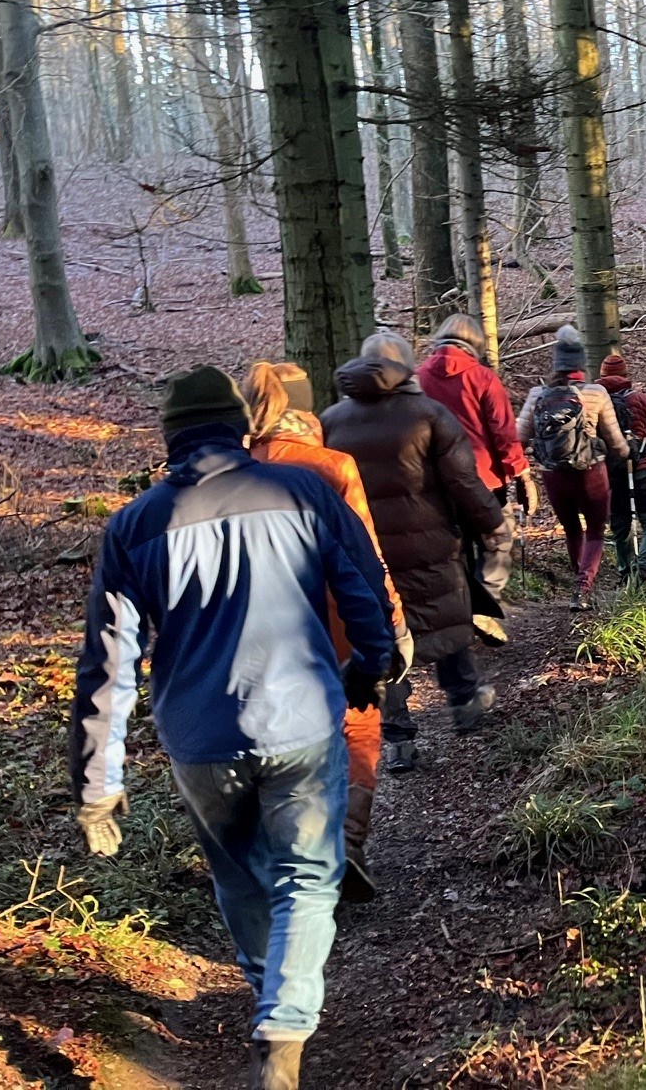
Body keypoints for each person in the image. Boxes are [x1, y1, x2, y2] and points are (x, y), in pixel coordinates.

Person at [71, 366, 396, 1090]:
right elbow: (363, 582)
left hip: (199, 735)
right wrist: (372, 667)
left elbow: (108, 663)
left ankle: (266, 992)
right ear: (240, 428)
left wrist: (99, 782)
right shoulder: (304, 491)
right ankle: (286, 1018)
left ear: (170, 439)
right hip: (304, 720)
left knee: (243, 878)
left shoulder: (133, 525)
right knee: (309, 878)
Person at [242, 361, 413, 905]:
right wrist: (394, 627)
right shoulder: (332, 466)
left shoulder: (226, 468)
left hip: (252, 629)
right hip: (336, 621)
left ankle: (280, 848)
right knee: (355, 723)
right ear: (306, 406)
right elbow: (367, 555)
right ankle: (345, 844)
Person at [322, 331, 506, 774]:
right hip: (431, 541)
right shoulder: (428, 415)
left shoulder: (329, 420)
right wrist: (493, 525)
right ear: (406, 368)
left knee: (384, 632)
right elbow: (463, 482)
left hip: (363, 551)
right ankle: (464, 703)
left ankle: (399, 739)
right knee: (446, 612)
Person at [415, 313, 533, 647]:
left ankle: (460, 618)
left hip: (436, 480)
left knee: (457, 549)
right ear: (475, 344)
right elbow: (503, 431)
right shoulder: (483, 378)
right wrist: (519, 472)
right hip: (484, 478)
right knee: (498, 540)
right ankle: (484, 602)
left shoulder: (417, 378)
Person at [516, 325, 630, 611]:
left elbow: (518, 438)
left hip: (553, 474)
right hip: (590, 471)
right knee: (594, 529)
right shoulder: (595, 392)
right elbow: (616, 442)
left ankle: (577, 581)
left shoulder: (537, 395)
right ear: (582, 364)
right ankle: (583, 588)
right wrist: (629, 453)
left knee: (570, 529)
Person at [598, 352, 646, 585]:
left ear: (601, 375)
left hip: (610, 472)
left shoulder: (593, 400)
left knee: (620, 525)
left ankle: (625, 573)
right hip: (643, 469)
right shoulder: (641, 400)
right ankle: (643, 568)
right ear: (625, 375)